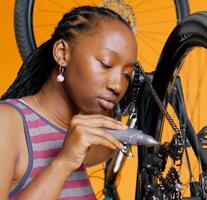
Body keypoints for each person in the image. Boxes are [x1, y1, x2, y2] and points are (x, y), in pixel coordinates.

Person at [0, 5, 137, 199]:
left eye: (127, 75)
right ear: (63, 53)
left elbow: (111, 141)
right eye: (106, 64)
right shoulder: (7, 123)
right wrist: (63, 162)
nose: (118, 86)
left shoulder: (82, 135)